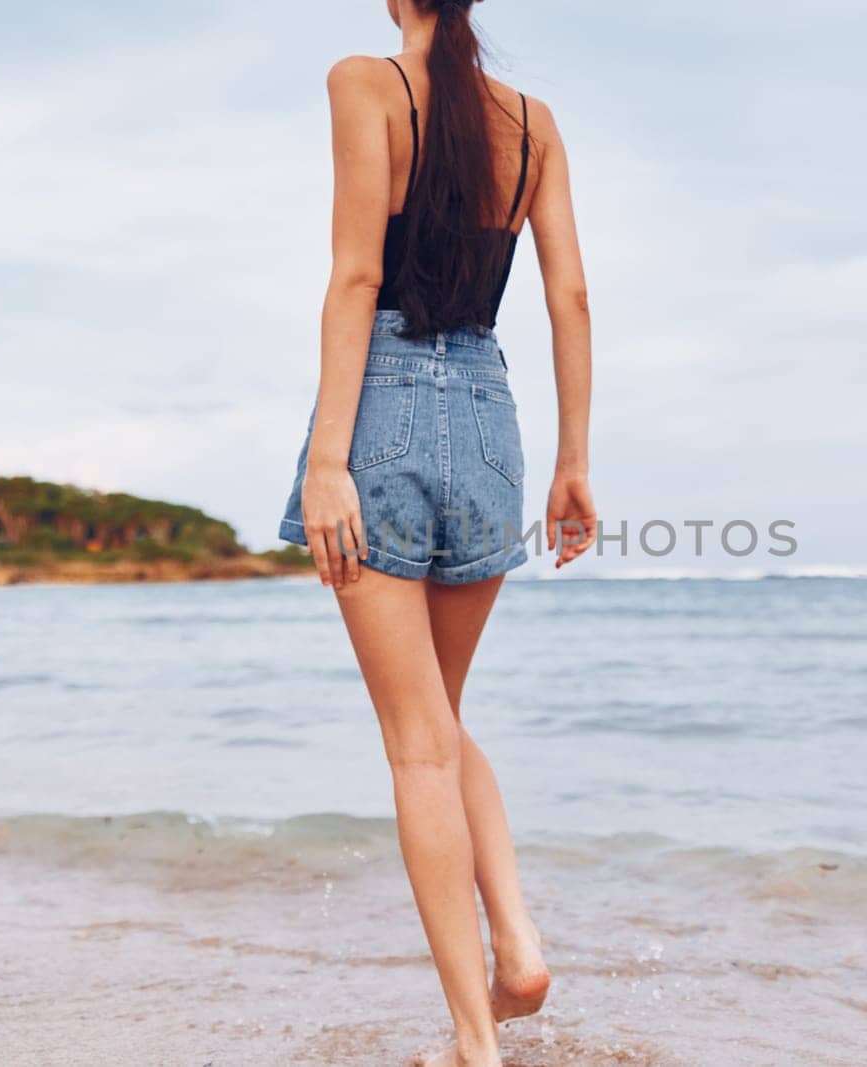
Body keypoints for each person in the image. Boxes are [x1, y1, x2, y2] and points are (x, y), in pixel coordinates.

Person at [276, 1, 597, 1063]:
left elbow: (359, 276)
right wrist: (571, 462)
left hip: (385, 407)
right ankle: (517, 951)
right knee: (443, 722)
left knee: (417, 745)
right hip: (493, 415)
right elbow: (568, 298)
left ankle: (474, 1041)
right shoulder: (533, 121)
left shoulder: (364, 83)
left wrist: (329, 458)